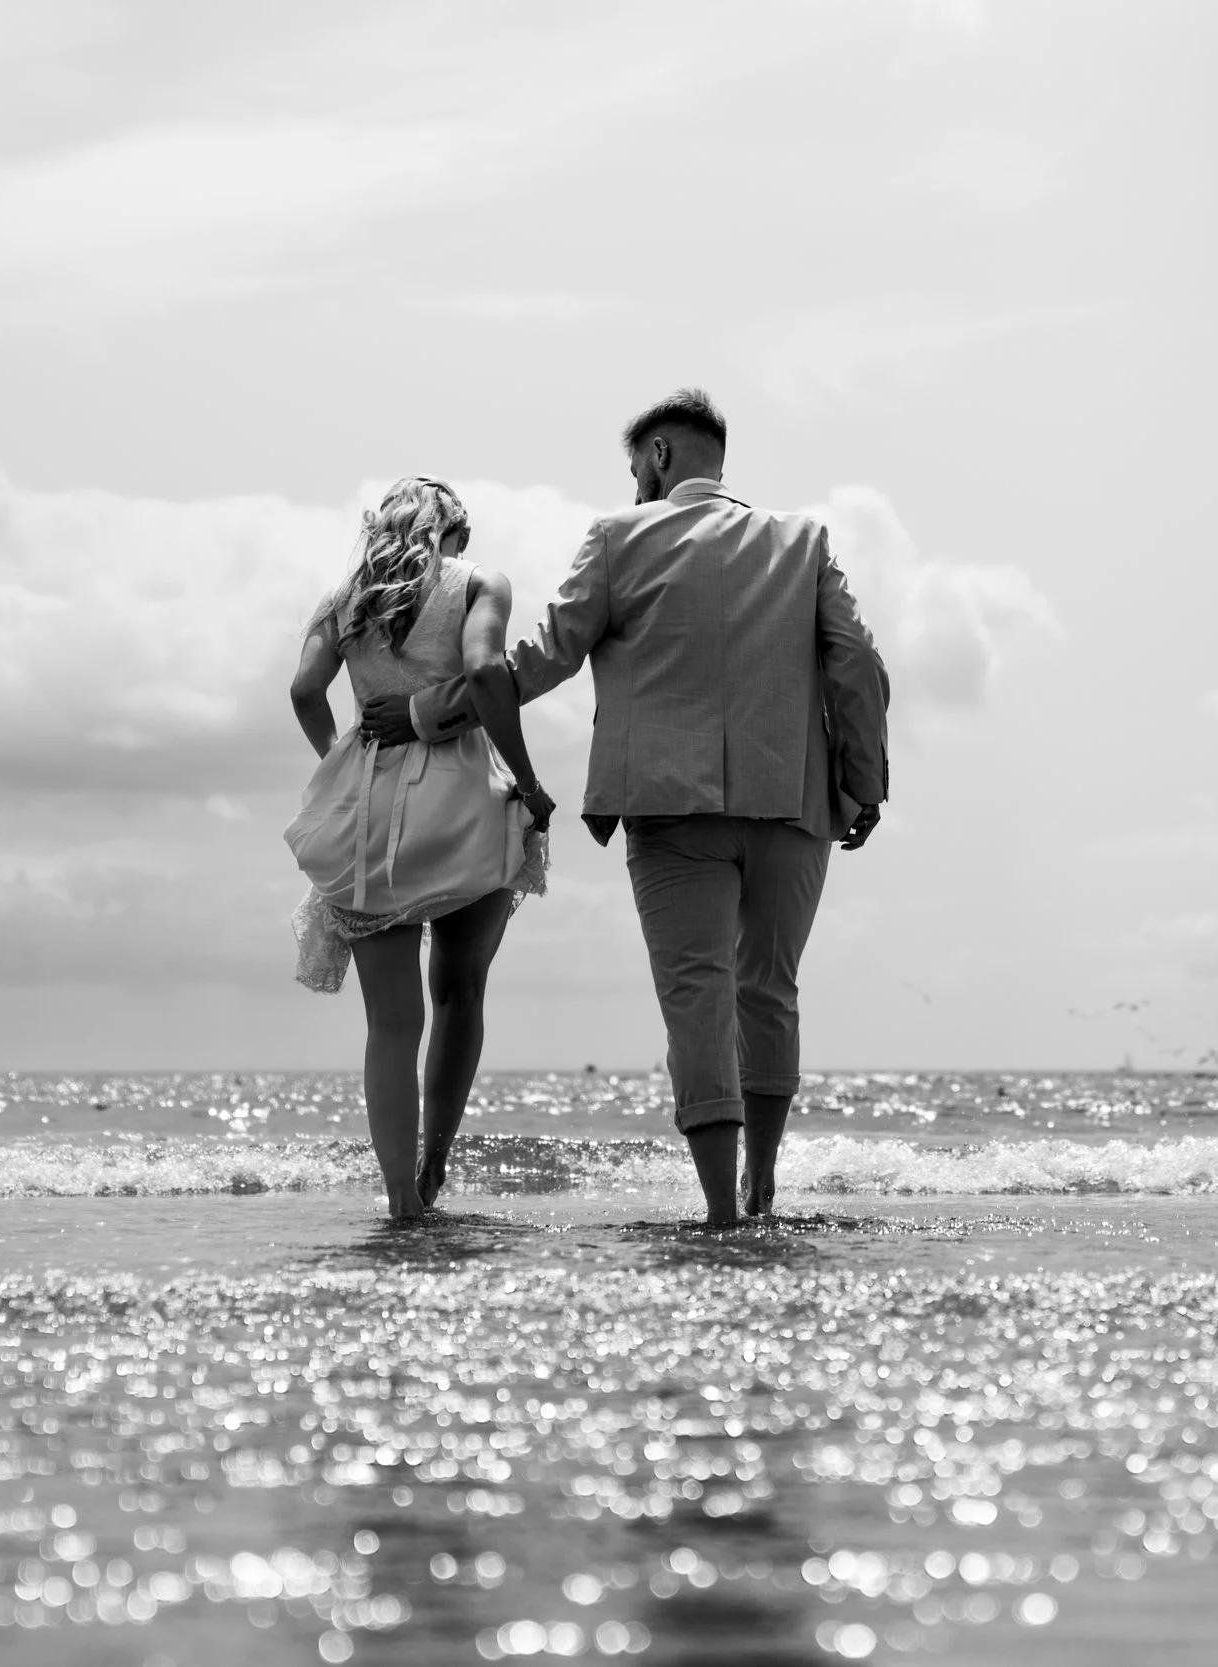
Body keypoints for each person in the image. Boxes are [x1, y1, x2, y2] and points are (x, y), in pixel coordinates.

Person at [361, 391, 889, 1227]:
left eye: (637, 464)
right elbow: (856, 662)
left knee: (697, 997)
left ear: (660, 457)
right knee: (770, 992)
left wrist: (425, 714)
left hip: (671, 810)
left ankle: (720, 1210)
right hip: (794, 804)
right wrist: (863, 782)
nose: (636, 479)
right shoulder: (804, 539)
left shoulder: (618, 537)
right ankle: (761, 1187)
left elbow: (540, 658)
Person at [286, 477, 554, 1223]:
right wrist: (527, 781)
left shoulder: (345, 598)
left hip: (371, 808)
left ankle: (402, 1199)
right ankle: (437, 1160)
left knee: (390, 1022)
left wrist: (340, 760)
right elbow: (483, 671)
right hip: (463, 805)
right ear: (455, 534)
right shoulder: (478, 582)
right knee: (461, 990)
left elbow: (306, 688)